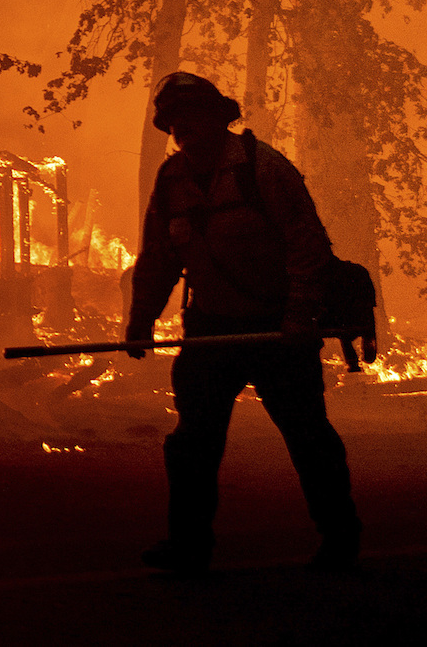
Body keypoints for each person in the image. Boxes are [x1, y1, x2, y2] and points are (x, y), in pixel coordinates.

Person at [126, 71, 360, 574]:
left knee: (307, 435)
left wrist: (299, 316)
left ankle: (340, 536)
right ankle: (188, 545)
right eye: (174, 119)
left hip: (278, 328)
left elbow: (308, 246)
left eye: (192, 114)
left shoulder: (264, 169)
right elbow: (159, 257)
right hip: (211, 328)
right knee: (193, 442)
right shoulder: (172, 180)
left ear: (219, 117)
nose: (183, 126)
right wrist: (140, 318)